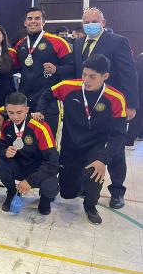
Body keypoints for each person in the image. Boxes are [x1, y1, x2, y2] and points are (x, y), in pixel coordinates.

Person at [35, 54, 127, 224]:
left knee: (95, 172)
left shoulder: (116, 98)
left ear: (105, 76)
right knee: (67, 193)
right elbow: (47, 95)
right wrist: (40, 110)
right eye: (84, 74)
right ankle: (80, 184)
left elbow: (119, 134)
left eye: (92, 76)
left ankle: (90, 205)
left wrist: (104, 159)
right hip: (71, 144)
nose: (86, 80)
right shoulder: (68, 86)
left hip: (96, 145)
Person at [72, 7, 138, 209]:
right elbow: (76, 73)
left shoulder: (118, 42)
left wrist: (131, 104)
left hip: (112, 105)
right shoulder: (78, 43)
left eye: (94, 21)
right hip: (86, 105)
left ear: (103, 22)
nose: (90, 25)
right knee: (87, 145)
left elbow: (129, 74)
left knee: (115, 149)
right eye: (86, 22)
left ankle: (117, 191)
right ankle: (87, 184)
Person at [0, 92, 59, 215]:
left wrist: (30, 181)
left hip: (38, 169)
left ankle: (45, 199)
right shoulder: (6, 125)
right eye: (11, 113)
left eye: (19, 112)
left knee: (51, 187)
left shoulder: (40, 127)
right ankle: (11, 192)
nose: (15, 117)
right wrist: (4, 152)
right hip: (19, 166)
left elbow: (53, 162)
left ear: (27, 109)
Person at [14, 7, 73, 135]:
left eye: (37, 18)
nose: (33, 21)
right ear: (25, 22)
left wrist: (57, 69)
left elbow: (72, 68)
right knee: (28, 140)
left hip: (49, 101)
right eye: (30, 18)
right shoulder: (20, 44)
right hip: (26, 102)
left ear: (43, 22)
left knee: (49, 140)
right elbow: (15, 68)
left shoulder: (59, 42)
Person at [126, 53, 143, 150]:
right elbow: (138, 77)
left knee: (139, 117)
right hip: (139, 92)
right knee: (138, 117)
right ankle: (129, 140)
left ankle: (138, 135)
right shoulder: (141, 58)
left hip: (139, 91)